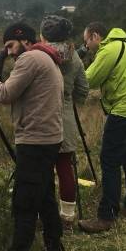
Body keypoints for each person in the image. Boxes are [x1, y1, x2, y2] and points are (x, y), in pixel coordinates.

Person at [0, 22, 64, 251]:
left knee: (24, 204)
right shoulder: (47, 57)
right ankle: (55, 250)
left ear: (23, 40)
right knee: (45, 197)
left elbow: (4, 94)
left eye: (10, 45)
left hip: (35, 141)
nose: (10, 52)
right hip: (49, 138)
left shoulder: (30, 59)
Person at [77, 22, 126, 234]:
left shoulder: (109, 49)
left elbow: (88, 80)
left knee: (110, 160)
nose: (87, 46)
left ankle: (106, 216)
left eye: (87, 42)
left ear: (95, 36)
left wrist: (73, 68)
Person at [39, 15, 89, 228]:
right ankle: (67, 217)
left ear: (43, 35)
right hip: (65, 118)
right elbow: (83, 89)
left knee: (42, 170)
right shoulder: (74, 56)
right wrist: (70, 101)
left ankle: (44, 214)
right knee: (65, 168)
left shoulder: (39, 55)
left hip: (41, 119)